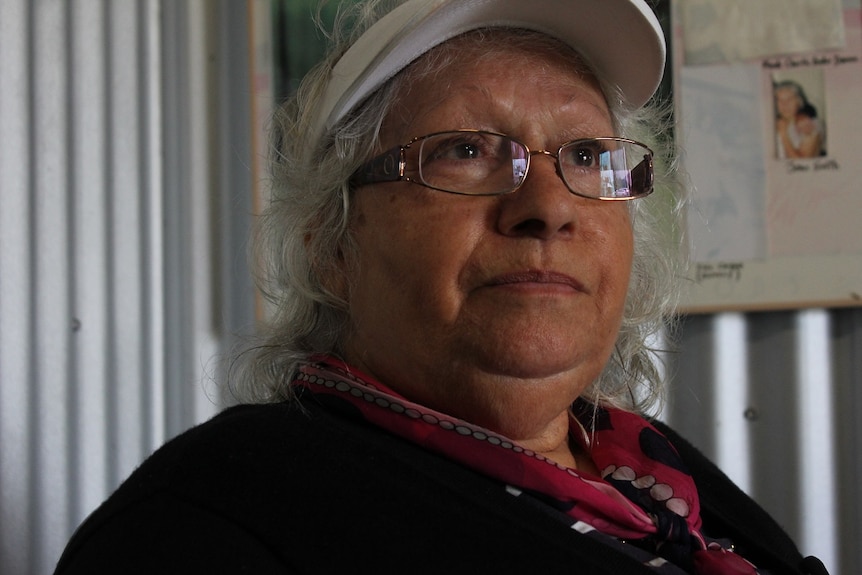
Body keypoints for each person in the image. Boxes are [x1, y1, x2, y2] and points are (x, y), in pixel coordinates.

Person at [54, 1, 830, 573]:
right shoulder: (216, 519)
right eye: (465, 148)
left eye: (588, 156)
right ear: (330, 244)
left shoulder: (651, 468)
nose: (550, 206)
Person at [774, 79, 826, 159]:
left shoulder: (810, 124)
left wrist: (784, 134)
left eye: (789, 99)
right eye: (780, 100)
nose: (784, 104)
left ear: (799, 101)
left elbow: (802, 164)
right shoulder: (772, 122)